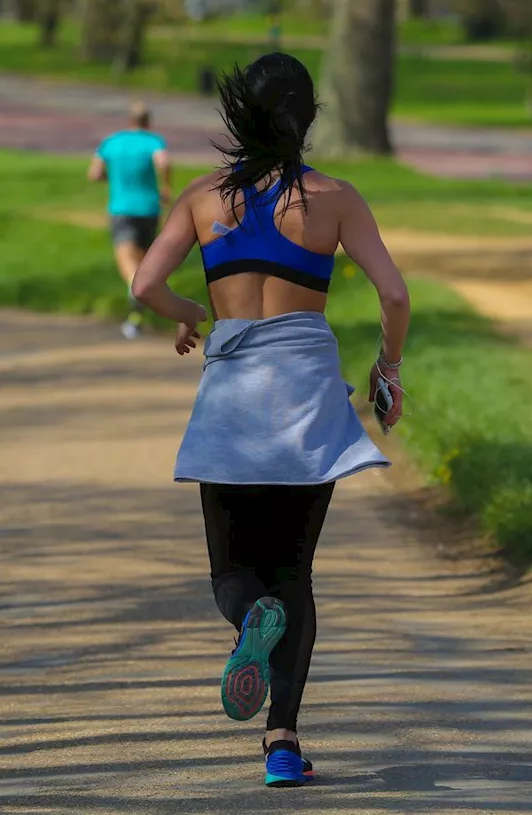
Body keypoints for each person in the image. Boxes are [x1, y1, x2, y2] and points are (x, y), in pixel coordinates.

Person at [129, 53, 410, 787]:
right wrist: (388, 368)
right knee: (296, 572)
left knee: (233, 570)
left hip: (232, 398)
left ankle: (249, 617)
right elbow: (395, 295)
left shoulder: (202, 198)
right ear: (308, 118)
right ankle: (282, 743)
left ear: (237, 117)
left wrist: (194, 313)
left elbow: (144, 284)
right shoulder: (336, 198)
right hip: (307, 402)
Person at [88, 102, 171, 339]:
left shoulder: (112, 142)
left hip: (122, 208)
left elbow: (94, 173)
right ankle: (136, 317)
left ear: (130, 120)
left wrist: (109, 176)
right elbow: (164, 162)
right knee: (142, 259)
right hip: (149, 208)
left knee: (126, 256)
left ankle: (135, 290)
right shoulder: (153, 141)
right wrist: (166, 186)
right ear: (148, 121)